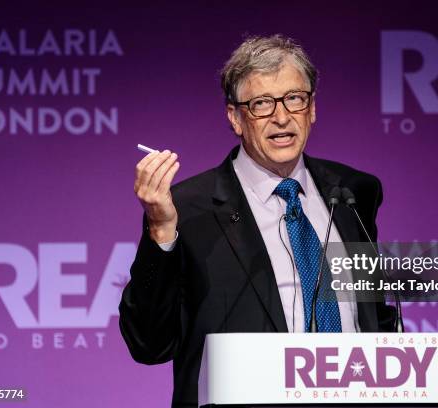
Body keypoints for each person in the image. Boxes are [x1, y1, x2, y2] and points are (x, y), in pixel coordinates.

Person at [119, 34, 396, 407]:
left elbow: (370, 312)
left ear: (312, 108)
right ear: (235, 117)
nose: (282, 117)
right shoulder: (187, 207)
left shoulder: (353, 191)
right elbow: (149, 344)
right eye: (262, 104)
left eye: (294, 98)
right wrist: (160, 230)